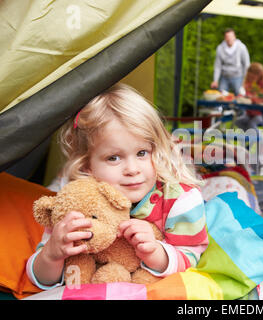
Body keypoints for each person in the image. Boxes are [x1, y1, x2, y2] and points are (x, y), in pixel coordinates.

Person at [26, 83, 208, 289]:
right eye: (113, 158)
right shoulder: (78, 203)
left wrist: (156, 253)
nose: (132, 169)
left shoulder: (180, 200)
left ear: (156, 149)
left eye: (142, 153)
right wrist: (52, 254)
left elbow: (191, 257)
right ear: (88, 165)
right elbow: (40, 279)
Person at [235, 62, 263, 132]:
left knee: (251, 124)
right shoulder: (249, 82)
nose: (251, 78)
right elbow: (246, 95)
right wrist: (243, 97)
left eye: (253, 76)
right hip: (250, 113)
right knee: (238, 122)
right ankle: (250, 140)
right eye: (250, 76)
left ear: (260, 75)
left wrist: (253, 98)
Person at [211, 28, 250, 96]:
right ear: (225, 38)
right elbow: (217, 66)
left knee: (240, 96)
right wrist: (215, 80)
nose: (229, 39)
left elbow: (246, 64)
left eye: (231, 37)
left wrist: (245, 80)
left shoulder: (242, 47)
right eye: (227, 37)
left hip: (238, 77)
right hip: (224, 77)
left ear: (234, 37)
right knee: (221, 97)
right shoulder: (220, 48)